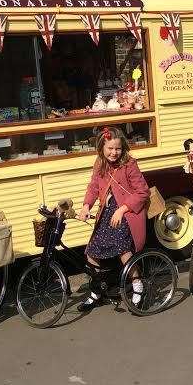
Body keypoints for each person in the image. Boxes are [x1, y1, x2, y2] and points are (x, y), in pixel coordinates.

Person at [77, 126, 149, 311]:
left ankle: (138, 285)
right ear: (102, 148)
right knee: (92, 251)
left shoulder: (129, 164)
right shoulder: (99, 164)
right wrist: (86, 206)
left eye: (117, 148)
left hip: (128, 213)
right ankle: (96, 291)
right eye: (110, 148)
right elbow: (93, 186)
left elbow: (143, 192)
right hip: (107, 213)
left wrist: (122, 209)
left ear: (122, 148)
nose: (114, 152)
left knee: (122, 247)